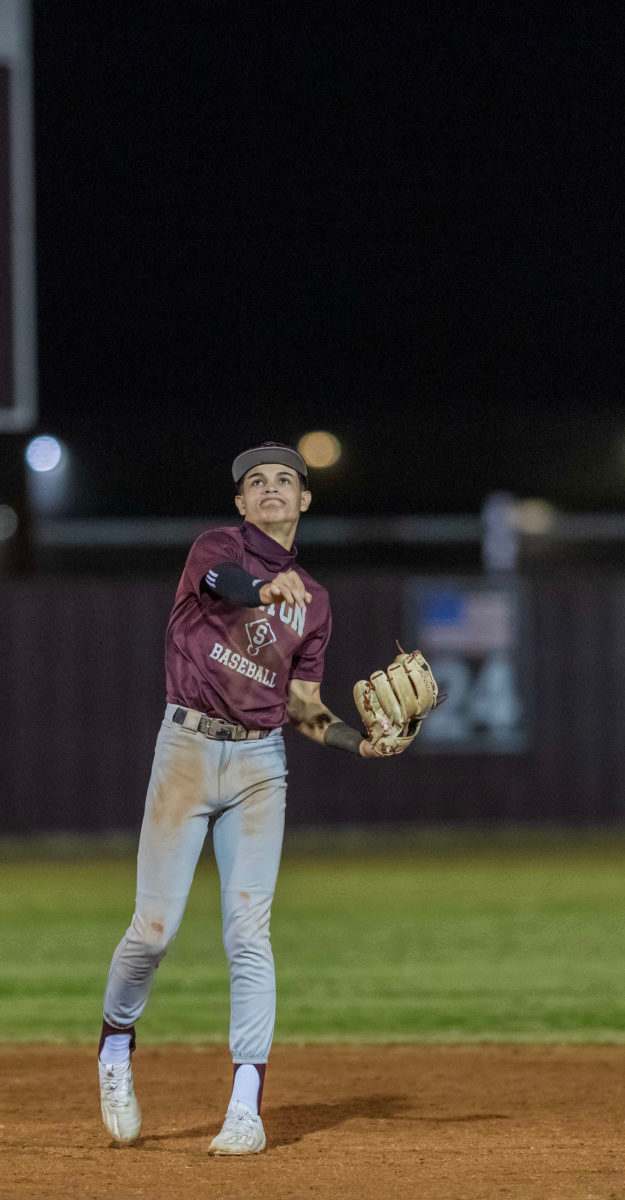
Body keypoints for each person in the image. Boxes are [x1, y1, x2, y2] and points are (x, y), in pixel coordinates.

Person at [97, 441, 394, 1156]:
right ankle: (114, 1048)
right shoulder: (215, 549)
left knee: (247, 932)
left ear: (303, 502)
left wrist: (362, 742)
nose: (268, 489)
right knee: (154, 931)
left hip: (260, 762)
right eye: (255, 481)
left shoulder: (315, 602)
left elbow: (301, 707)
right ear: (240, 502)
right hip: (188, 752)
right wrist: (265, 591)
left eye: (283, 481)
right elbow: (228, 583)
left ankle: (245, 1106)